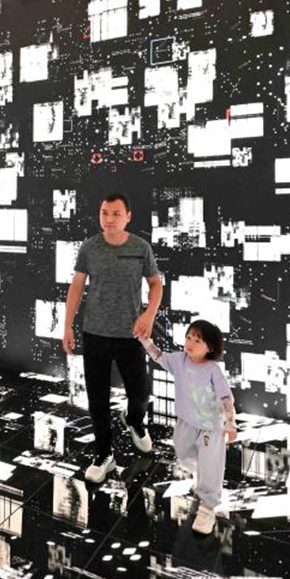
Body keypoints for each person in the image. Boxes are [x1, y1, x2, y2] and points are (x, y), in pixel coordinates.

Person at [63, 193, 163, 484]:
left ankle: (134, 421)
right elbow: (76, 286)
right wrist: (67, 326)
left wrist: (149, 315)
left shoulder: (140, 247)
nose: (109, 219)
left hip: (131, 334)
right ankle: (104, 453)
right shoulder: (90, 247)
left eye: (116, 213)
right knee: (97, 398)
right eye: (104, 212)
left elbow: (155, 284)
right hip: (95, 333)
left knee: (140, 393)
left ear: (128, 216)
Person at [138, 319, 237, 534]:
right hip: (185, 422)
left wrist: (230, 423)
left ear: (210, 348)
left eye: (197, 340)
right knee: (184, 456)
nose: (190, 343)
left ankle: (207, 507)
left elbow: (226, 398)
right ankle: (202, 475)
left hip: (210, 427)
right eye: (189, 337)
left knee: (210, 463)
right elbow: (159, 356)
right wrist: (146, 342)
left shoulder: (212, 370)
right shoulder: (179, 360)